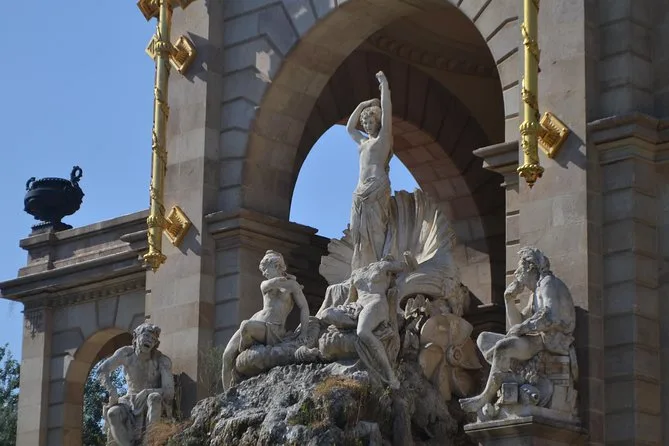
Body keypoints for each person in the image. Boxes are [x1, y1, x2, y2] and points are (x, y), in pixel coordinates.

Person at [459, 247, 576, 413]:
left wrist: (521, 328)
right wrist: (509, 300)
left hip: (547, 343)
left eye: (520, 268)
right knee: (483, 338)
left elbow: (551, 317)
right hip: (535, 341)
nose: (516, 273)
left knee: (502, 347)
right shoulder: (535, 293)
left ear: (530, 268)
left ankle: (485, 396)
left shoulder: (548, 284)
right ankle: (513, 378)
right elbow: (518, 323)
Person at [221, 250, 310, 390]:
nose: (263, 273)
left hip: (274, 327)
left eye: (265, 269)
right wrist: (289, 278)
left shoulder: (292, 286)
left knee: (245, 326)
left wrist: (304, 332)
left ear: (276, 266)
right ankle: (226, 394)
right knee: (227, 355)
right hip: (257, 320)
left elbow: (304, 307)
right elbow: (272, 283)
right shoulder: (266, 284)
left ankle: (244, 351)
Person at [318, 255, 408, 389]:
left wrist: (399, 261)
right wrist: (341, 313)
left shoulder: (383, 266)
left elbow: (404, 266)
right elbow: (350, 299)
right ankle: (364, 324)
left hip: (376, 304)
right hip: (357, 307)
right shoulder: (356, 273)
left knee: (363, 332)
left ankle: (390, 374)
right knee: (326, 313)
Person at [346, 71, 394, 271]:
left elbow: (387, 110)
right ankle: (361, 267)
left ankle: (377, 266)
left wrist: (384, 86)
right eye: (364, 123)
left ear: (378, 122)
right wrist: (362, 105)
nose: (366, 126)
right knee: (357, 231)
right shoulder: (363, 142)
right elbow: (349, 128)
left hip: (377, 185)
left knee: (376, 229)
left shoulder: (383, 138)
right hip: (360, 191)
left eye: (370, 122)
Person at [99, 322, 174, 446]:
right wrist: (112, 390)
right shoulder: (126, 354)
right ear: (136, 337)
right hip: (130, 400)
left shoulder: (162, 360)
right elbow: (102, 370)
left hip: (151, 398)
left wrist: (147, 392)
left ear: (155, 343)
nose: (149, 340)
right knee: (113, 413)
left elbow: (169, 392)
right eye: (146, 336)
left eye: (153, 339)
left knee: (154, 398)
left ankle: (148, 444)